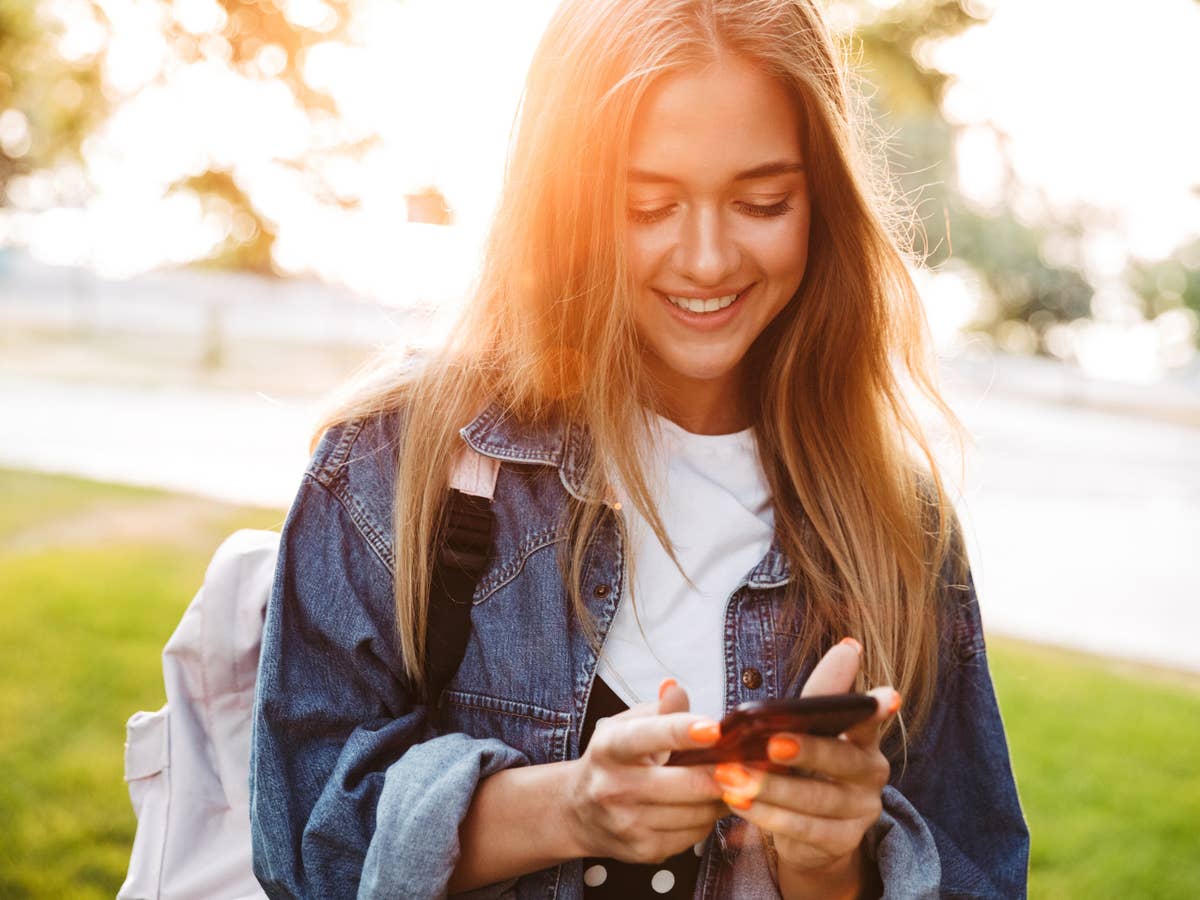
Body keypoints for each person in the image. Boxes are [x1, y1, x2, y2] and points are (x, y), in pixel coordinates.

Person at [248, 0, 1029, 897]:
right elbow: (303, 847)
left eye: (762, 201)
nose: (706, 258)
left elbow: (979, 871)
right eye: (649, 205)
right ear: (565, 207)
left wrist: (829, 862)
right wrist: (568, 808)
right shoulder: (397, 461)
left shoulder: (901, 520)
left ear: (822, 199)